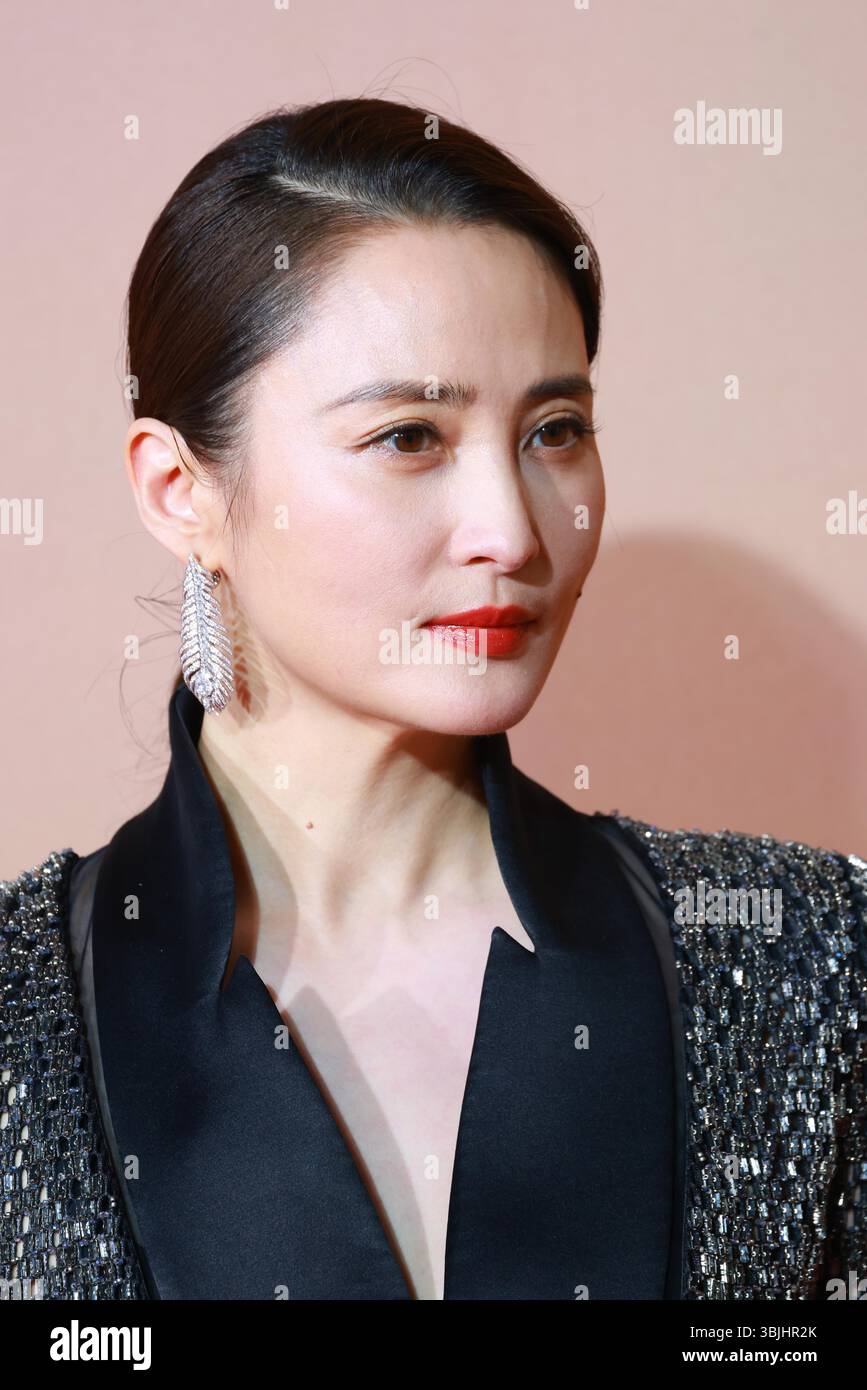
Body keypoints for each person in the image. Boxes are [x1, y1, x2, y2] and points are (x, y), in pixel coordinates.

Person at [1, 97, 864, 1303]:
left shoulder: (798, 953)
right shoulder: (23, 1017)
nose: (512, 530)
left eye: (555, 429)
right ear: (180, 489)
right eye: (410, 435)